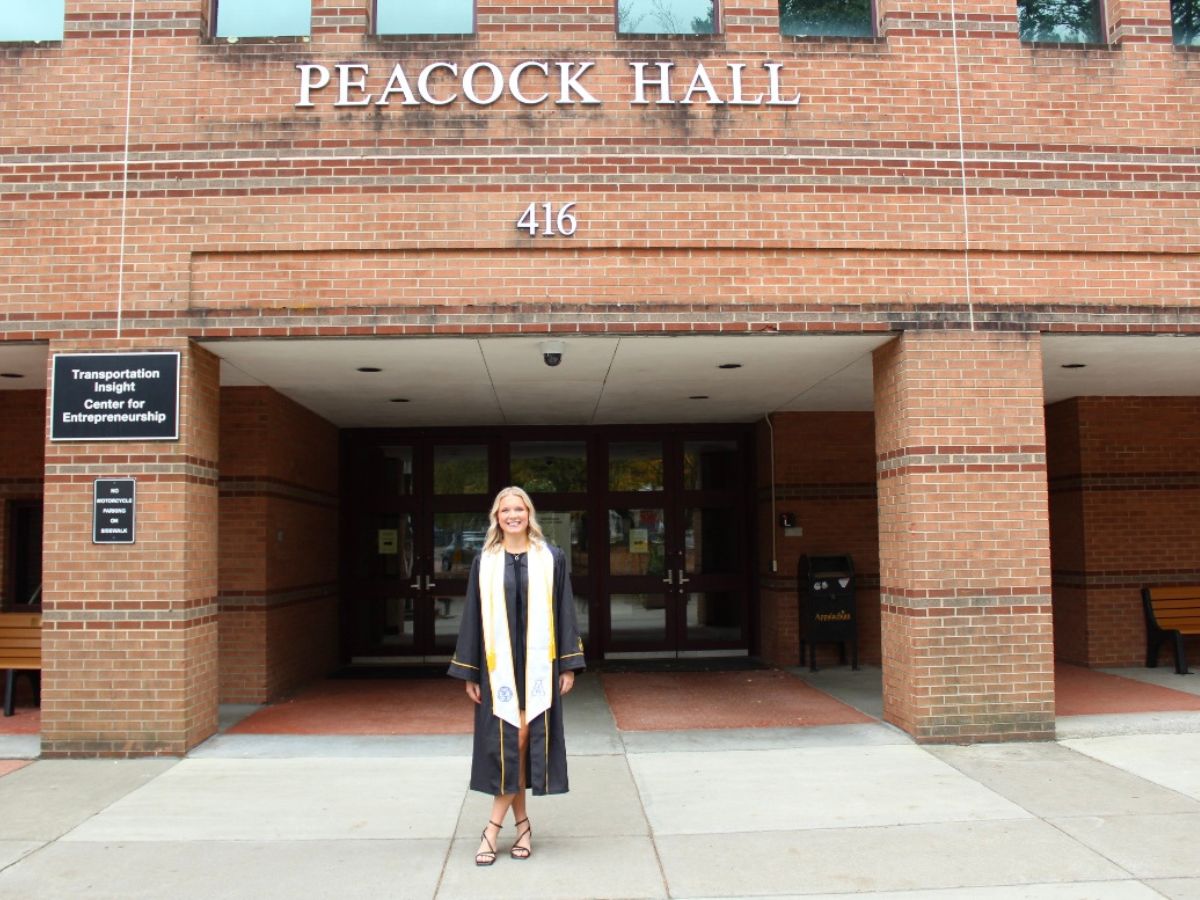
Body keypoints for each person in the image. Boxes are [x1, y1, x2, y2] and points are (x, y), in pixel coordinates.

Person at [448, 486, 586, 865]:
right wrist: (470, 671)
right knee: (513, 744)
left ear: (529, 514)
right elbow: (473, 617)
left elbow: (564, 611)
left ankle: (491, 830)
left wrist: (569, 664)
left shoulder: (550, 557)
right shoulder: (485, 560)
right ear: (497, 516)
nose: (512, 515)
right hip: (498, 668)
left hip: (539, 665)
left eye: (519, 509)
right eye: (505, 509)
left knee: (520, 738)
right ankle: (521, 826)